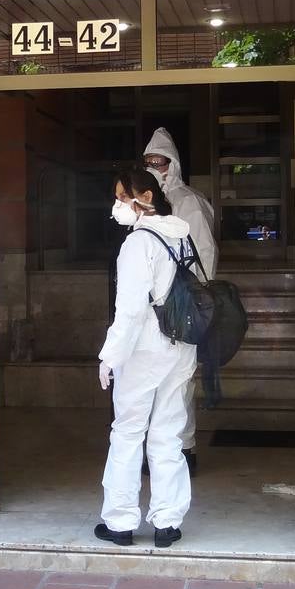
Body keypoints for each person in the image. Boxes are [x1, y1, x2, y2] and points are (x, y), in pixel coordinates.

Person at [95, 167, 196, 549]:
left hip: (144, 349)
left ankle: (120, 522)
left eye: (123, 197)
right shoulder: (181, 235)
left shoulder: (138, 243)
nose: (117, 205)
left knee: (128, 431)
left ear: (146, 197)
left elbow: (131, 310)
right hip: (180, 345)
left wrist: (109, 356)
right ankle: (168, 522)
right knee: (168, 431)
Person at [143, 127, 217, 477]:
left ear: (171, 165)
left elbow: (205, 254)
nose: (154, 167)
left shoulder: (188, 202)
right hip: (151, 308)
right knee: (154, 382)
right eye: (148, 162)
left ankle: (184, 449)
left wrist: (196, 302)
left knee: (180, 381)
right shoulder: (144, 205)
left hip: (181, 304)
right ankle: (159, 450)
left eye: (160, 162)